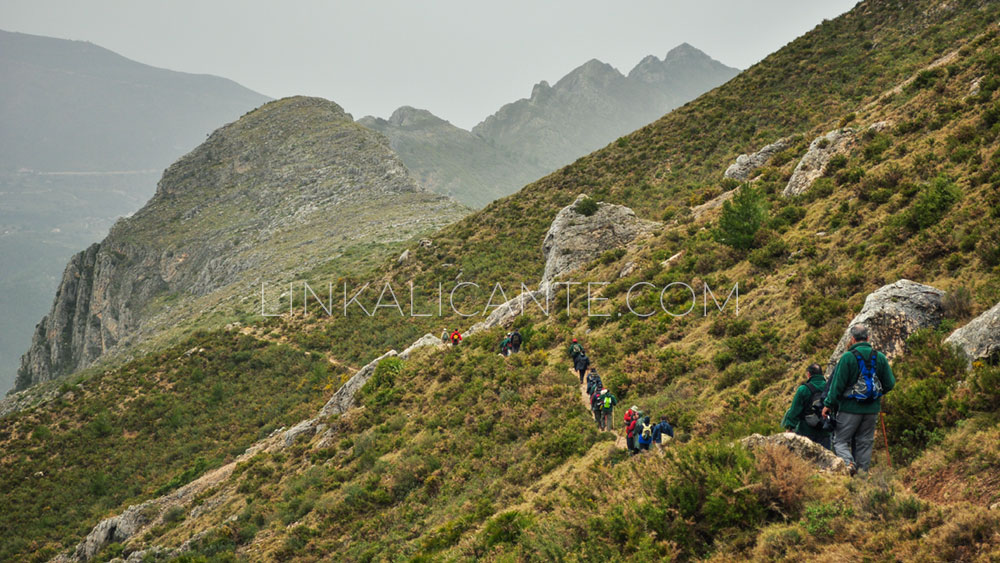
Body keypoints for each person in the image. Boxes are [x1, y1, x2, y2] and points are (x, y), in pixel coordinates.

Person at [822, 324, 896, 475]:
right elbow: (890, 383)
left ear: (852, 339)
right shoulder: (879, 357)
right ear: (868, 338)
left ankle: (849, 464)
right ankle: (861, 479)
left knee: (840, 441)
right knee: (864, 444)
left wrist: (828, 404)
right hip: (872, 410)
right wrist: (876, 395)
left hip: (849, 409)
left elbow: (837, 386)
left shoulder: (847, 358)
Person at [781, 364, 832, 450]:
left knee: (806, 460)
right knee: (825, 460)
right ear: (821, 374)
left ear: (808, 374)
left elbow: (794, 410)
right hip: (825, 431)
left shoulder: (803, 389)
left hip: (806, 431)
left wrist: (789, 427)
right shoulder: (829, 388)